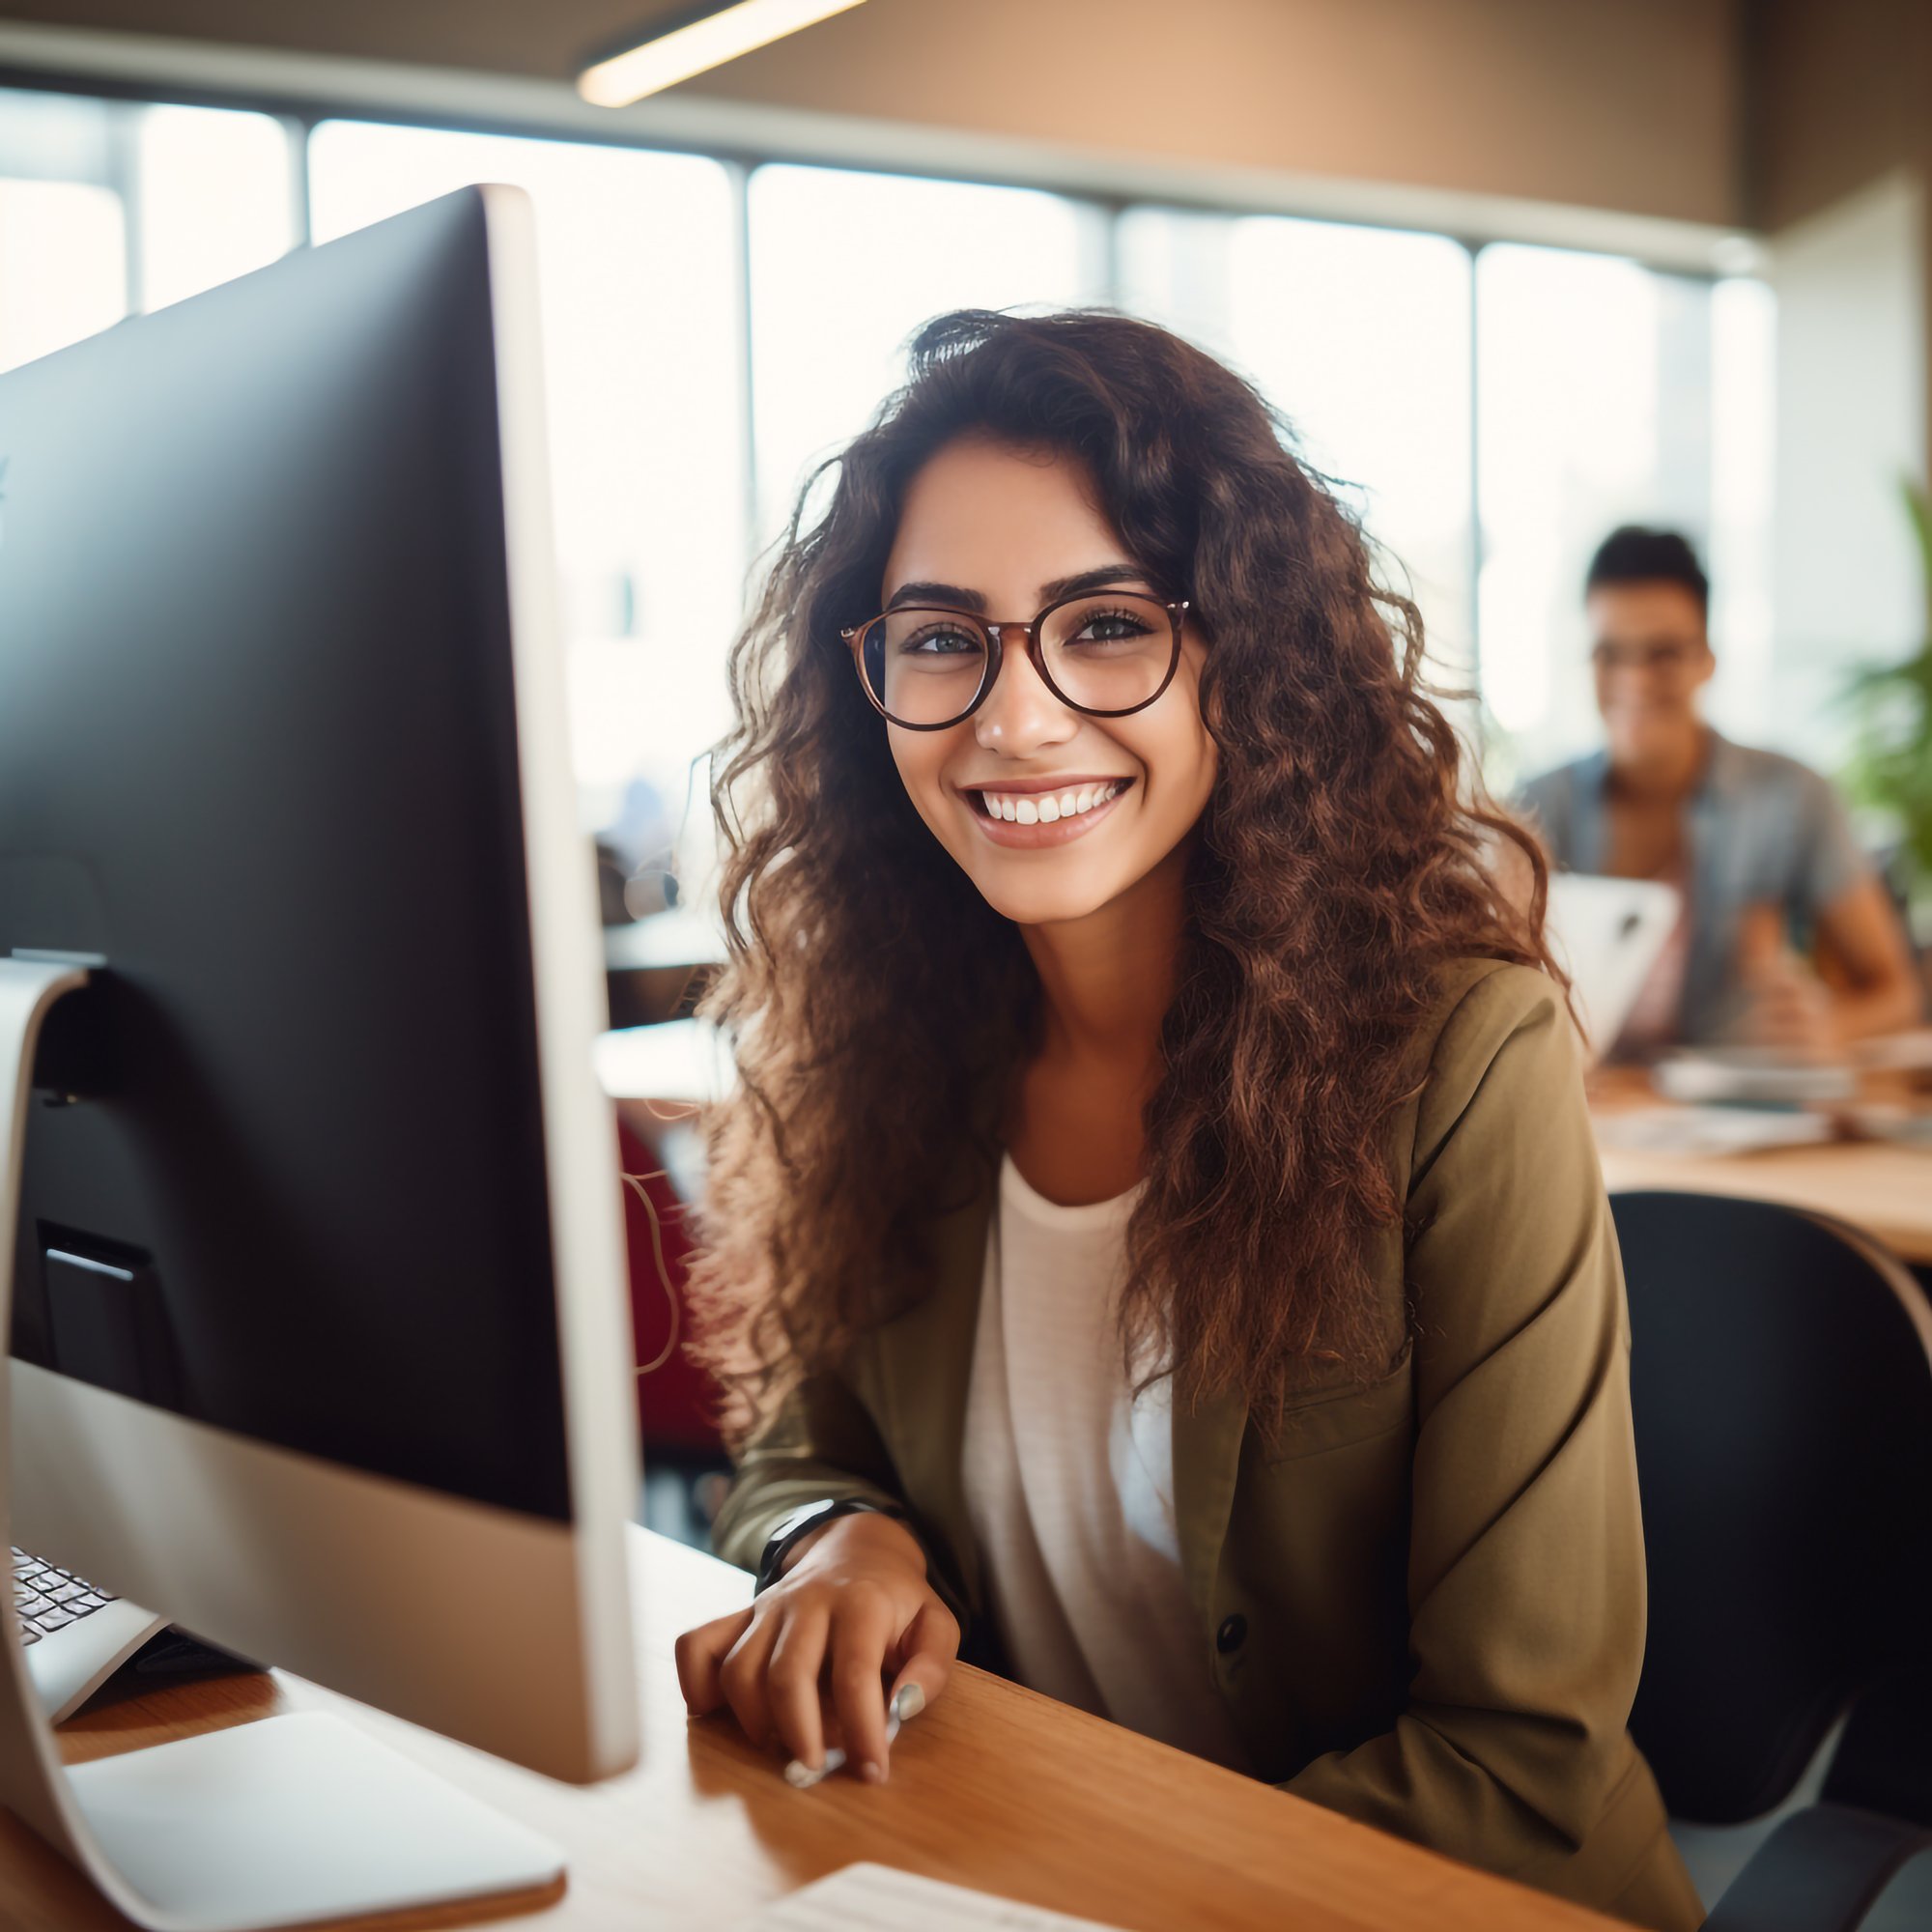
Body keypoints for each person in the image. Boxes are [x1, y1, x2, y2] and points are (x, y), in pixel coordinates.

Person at [672, 311, 1701, 1931]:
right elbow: (805, 1443)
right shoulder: (893, 1060)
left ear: (1249, 653)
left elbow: (1520, 1763)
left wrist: (1070, 1893)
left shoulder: (1459, 1065)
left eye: (1104, 626)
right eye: (942, 638)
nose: (1012, 719)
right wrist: (838, 1538)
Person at [1519, 526, 1920, 1056]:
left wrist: (1830, 1026)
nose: (1635, 680)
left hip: (1737, 1113)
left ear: (1707, 659)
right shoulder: (1532, 811)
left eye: (1662, 653)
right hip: (1580, 1114)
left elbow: (1898, 992)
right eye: (1609, 654)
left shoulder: (1791, 796)